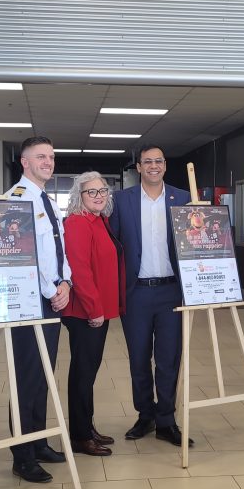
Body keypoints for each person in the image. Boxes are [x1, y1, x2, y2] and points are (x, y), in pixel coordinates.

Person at [109, 144, 192, 446]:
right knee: (139, 359)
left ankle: (166, 420)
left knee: (169, 358)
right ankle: (145, 414)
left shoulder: (182, 199)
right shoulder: (121, 200)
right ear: (139, 168)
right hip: (136, 294)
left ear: (165, 165)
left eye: (159, 161)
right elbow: (113, 246)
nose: (153, 166)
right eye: (147, 162)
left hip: (171, 292)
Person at [6, 136, 72, 482]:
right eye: (41, 157)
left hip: (52, 299)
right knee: (27, 377)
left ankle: (39, 440)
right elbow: (23, 254)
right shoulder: (16, 201)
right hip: (30, 303)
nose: (48, 162)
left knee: (45, 375)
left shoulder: (46, 201)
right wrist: (52, 289)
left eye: (51, 156)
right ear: (24, 162)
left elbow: (58, 252)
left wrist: (66, 284)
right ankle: (22, 454)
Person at [61, 171, 126, 456]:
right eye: (92, 192)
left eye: (103, 191)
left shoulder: (99, 220)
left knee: (89, 371)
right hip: (85, 311)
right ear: (79, 196)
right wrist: (94, 310)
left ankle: (86, 427)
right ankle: (79, 436)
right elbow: (80, 271)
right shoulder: (77, 223)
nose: (99, 196)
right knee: (82, 373)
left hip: (98, 309)